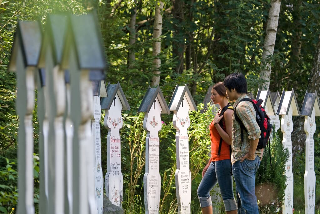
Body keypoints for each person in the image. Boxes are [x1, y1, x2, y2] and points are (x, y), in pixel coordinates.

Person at [223, 73, 262, 214]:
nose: (226, 93)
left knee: (248, 201)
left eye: (227, 90)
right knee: (244, 202)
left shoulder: (241, 107)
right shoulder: (249, 103)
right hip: (246, 160)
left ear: (233, 89)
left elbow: (255, 132)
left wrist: (251, 154)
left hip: (244, 160)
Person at [197, 82, 237, 214]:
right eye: (211, 94)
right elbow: (216, 142)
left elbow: (230, 140)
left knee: (227, 197)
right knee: (202, 191)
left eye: (214, 94)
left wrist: (217, 125)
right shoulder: (220, 111)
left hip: (224, 160)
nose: (211, 97)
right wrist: (210, 162)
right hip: (216, 160)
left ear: (223, 94)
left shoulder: (228, 112)